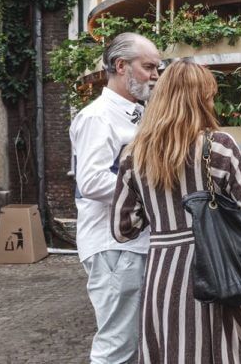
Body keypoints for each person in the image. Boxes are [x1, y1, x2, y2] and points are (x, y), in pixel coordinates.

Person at [111, 60, 241, 364]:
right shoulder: (218, 145)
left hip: (163, 273)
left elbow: (123, 227)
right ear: (201, 99)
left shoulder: (135, 154)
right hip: (215, 269)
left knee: (172, 348)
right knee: (217, 349)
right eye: (210, 95)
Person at [70, 32, 160, 364]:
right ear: (121, 66)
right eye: (148, 66)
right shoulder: (97, 116)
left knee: (132, 341)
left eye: (156, 67)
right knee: (118, 345)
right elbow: (92, 181)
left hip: (128, 244)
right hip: (114, 246)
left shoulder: (135, 112)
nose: (154, 75)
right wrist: (153, 190)